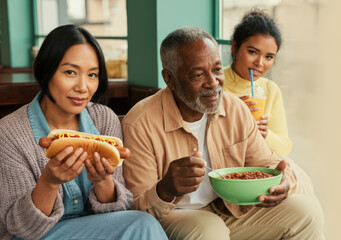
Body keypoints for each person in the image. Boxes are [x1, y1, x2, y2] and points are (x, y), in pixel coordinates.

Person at [122, 26, 324, 240]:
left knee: (306, 212)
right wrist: (166, 188)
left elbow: (267, 164)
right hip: (172, 216)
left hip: (226, 210)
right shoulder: (140, 122)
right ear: (170, 79)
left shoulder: (235, 108)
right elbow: (136, 209)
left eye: (217, 70)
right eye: (198, 74)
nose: (213, 82)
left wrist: (282, 182)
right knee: (209, 229)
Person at [0, 25, 167, 240]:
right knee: (142, 225)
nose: (83, 87)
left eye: (92, 75)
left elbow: (118, 216)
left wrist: (102, 180)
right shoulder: (8, 133)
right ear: (46, 70)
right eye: (70, 72)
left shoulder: (104, 119)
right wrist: (49, 183)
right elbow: (20, 230)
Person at [224, 9, 318, 197]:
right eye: (252, 52)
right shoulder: (216, 83)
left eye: (269, 57)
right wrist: (233, 115)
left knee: (300, 183)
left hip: (261, 165)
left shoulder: (270, 90)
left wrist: (265, 134)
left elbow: (284, 146)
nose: (260, 63)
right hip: (227, 166)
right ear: (234, 47)